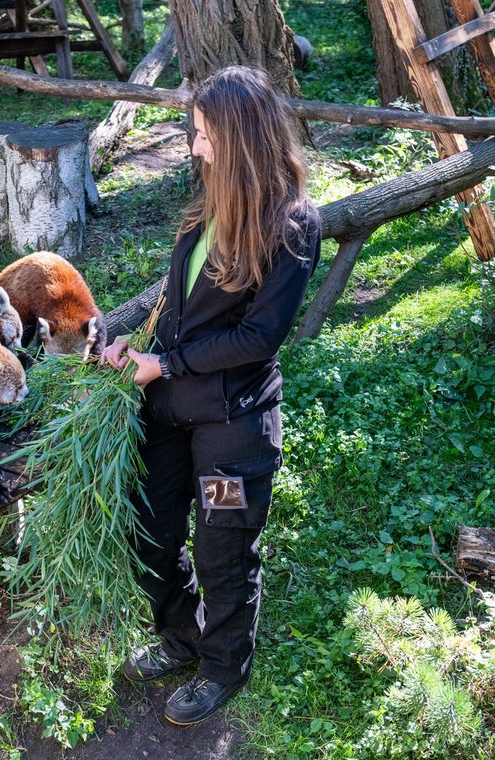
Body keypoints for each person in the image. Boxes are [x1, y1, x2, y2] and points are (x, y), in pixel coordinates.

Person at [101, 65, 321, 726]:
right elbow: (173, 297)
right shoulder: (211, 201)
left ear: (241, 136)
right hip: (168, 412)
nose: (194, 148)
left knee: (223, 547)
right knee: (148, 535)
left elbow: (258, 337)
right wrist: (125, 341)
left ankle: (224, 666)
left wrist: (165, 363)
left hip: (233, 426)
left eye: (203, 135)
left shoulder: (293, 222)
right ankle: (181, 638)